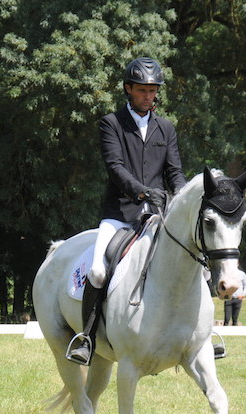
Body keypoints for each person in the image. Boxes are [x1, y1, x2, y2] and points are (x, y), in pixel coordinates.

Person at [66, 56, 188, 365]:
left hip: (159, 216)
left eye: (153, 90)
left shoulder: (166, 128)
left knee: (192, 256)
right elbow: (115, 167)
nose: (150, 96)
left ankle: (201, 331)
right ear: (128, 89)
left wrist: (185, 196)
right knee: (97, 270)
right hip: (119, 215)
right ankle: (87, 338)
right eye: (143, 90)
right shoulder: (112, 124)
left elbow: (174, 172)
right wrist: (143, 191)